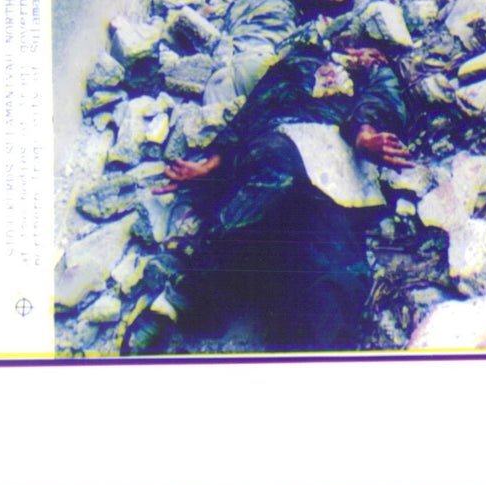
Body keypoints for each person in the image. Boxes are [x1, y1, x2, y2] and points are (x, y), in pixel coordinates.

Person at [120, 44, 413, 354]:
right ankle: (179, 300)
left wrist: (363, 134)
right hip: (280, 145)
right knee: (273, 179)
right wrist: (211, 163)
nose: (362, 55)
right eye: (357, 49)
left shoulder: (376, 77)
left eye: (372, 53)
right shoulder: (298, 63)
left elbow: (384, 99)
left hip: (335, 173)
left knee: (335, 278)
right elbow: (252, 115)